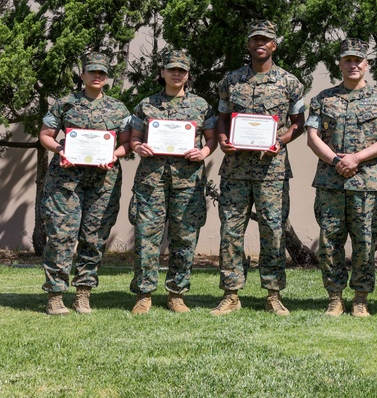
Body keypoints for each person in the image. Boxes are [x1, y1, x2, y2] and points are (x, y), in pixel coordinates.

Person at [211, 20, 306, 316]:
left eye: (265, 40)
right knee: (230, 232)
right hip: (236, 170)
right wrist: (224, 138)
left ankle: (273, 294)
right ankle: (231, 293)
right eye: (255, 39)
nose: (260, 44)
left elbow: (298, 122)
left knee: (273, 232)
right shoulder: (231, 80)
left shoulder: (290, 82)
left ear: (274, 45)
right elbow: (223, 116)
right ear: (249, 45)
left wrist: (284, 140)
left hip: (272, 170)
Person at [306, 38, 377, 317]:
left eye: (358, 60)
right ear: (340, 64)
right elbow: (313, 138)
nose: (353, 64)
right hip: (331, 182)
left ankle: (360, 298)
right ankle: (335, 298)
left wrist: (356, 158)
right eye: (348, 60)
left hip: (367, 183)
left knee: (365, 242)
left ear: (366, 64)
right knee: (330, 241)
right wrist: (336, 160)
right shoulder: (322, 99)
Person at [38, 52, 132, 315]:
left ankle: (83, 294)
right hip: (66, 181)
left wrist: (113, 155)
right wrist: (60, 150)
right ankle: (56, 295)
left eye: (102, 72)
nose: (98, 76)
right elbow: (45, 135)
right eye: (93, 72)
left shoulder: (118, 109)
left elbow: (126, 143)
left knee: (94, 238)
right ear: (83, 75)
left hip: (103, 182)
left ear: (107, 77)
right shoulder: (66, 104)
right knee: (60, 236)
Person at [128, 50, 217, 314]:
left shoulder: (201, 106)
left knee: (185, 237)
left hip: (187, 182)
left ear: (188, 75)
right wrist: (137, 146)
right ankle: (144, 294)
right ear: (163, 72)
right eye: (172, 69)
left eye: (182, 70)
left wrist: (203, 152)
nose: (176, 74)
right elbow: (133, 137)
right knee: (146, 236)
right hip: (151, 181)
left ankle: (176, 294)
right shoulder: (146, 105)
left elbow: (211, 139)